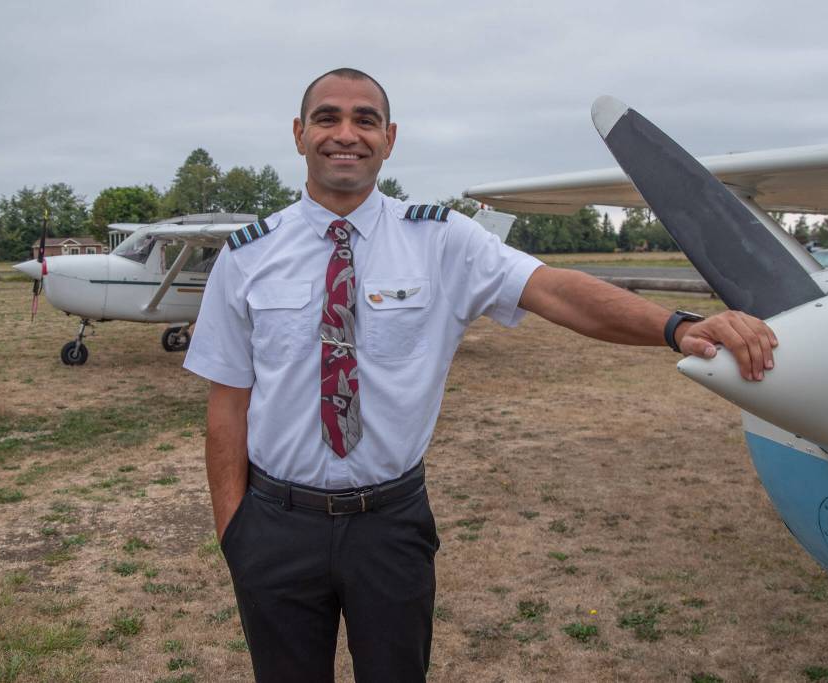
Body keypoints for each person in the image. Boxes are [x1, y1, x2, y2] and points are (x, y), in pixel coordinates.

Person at [183, 67, 777, 683]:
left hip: (389, 526)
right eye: (327, 117)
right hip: (277, 525)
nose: (346, 134)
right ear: (299, 133)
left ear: (389, 137)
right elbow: (227, 402)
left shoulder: (443, 240)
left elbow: (556, 291)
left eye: (365, 120)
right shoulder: (248, 254)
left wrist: (677, 326)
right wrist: (237, 532)